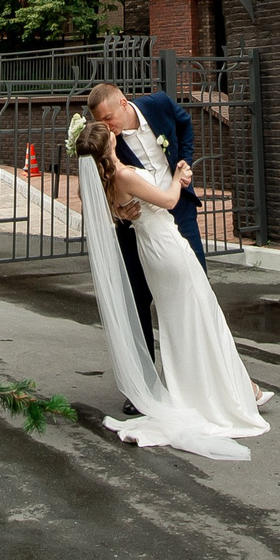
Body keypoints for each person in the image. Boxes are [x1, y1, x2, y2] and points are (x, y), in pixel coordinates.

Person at [73, 119, 269, 457]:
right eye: (111, 135)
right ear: (108, 147)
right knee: (203, 318)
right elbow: (166, 201)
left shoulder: (108, 183)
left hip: (154, 251)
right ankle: (225, 395)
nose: (115, 133)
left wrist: (122, 210)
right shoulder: (125, 175)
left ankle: (233, 389)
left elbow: (121, 210)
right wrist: (178, 178)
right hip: (167, 249)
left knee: (185, 324)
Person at [86, 80, 203, 358]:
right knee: (138, 300)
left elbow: (185, 123)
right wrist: (116, 210)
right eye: (99, 121)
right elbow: (92, 186)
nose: (105, 126)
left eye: (108, 118)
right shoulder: (106, 144)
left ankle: (194, 374)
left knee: (197, 290)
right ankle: (145, 385)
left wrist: (184, 162)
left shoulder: (159, 104)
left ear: (123, 103)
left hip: (180, 213)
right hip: (137, 228)